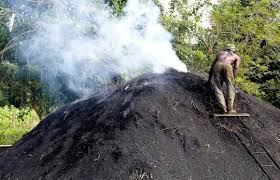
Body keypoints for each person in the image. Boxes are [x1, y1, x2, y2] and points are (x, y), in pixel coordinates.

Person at [208, 44, 241, 114]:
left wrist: (209, 79)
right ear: (233, 50)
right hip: (228, 65)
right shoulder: (236, 56)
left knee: (217, 87)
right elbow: (236, 68)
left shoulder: (219, 54)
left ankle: (222, 108)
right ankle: (230, 109)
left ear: (225, 48)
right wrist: (233, 78)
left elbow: (212, 67)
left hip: (218, 65)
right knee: (230, 87)